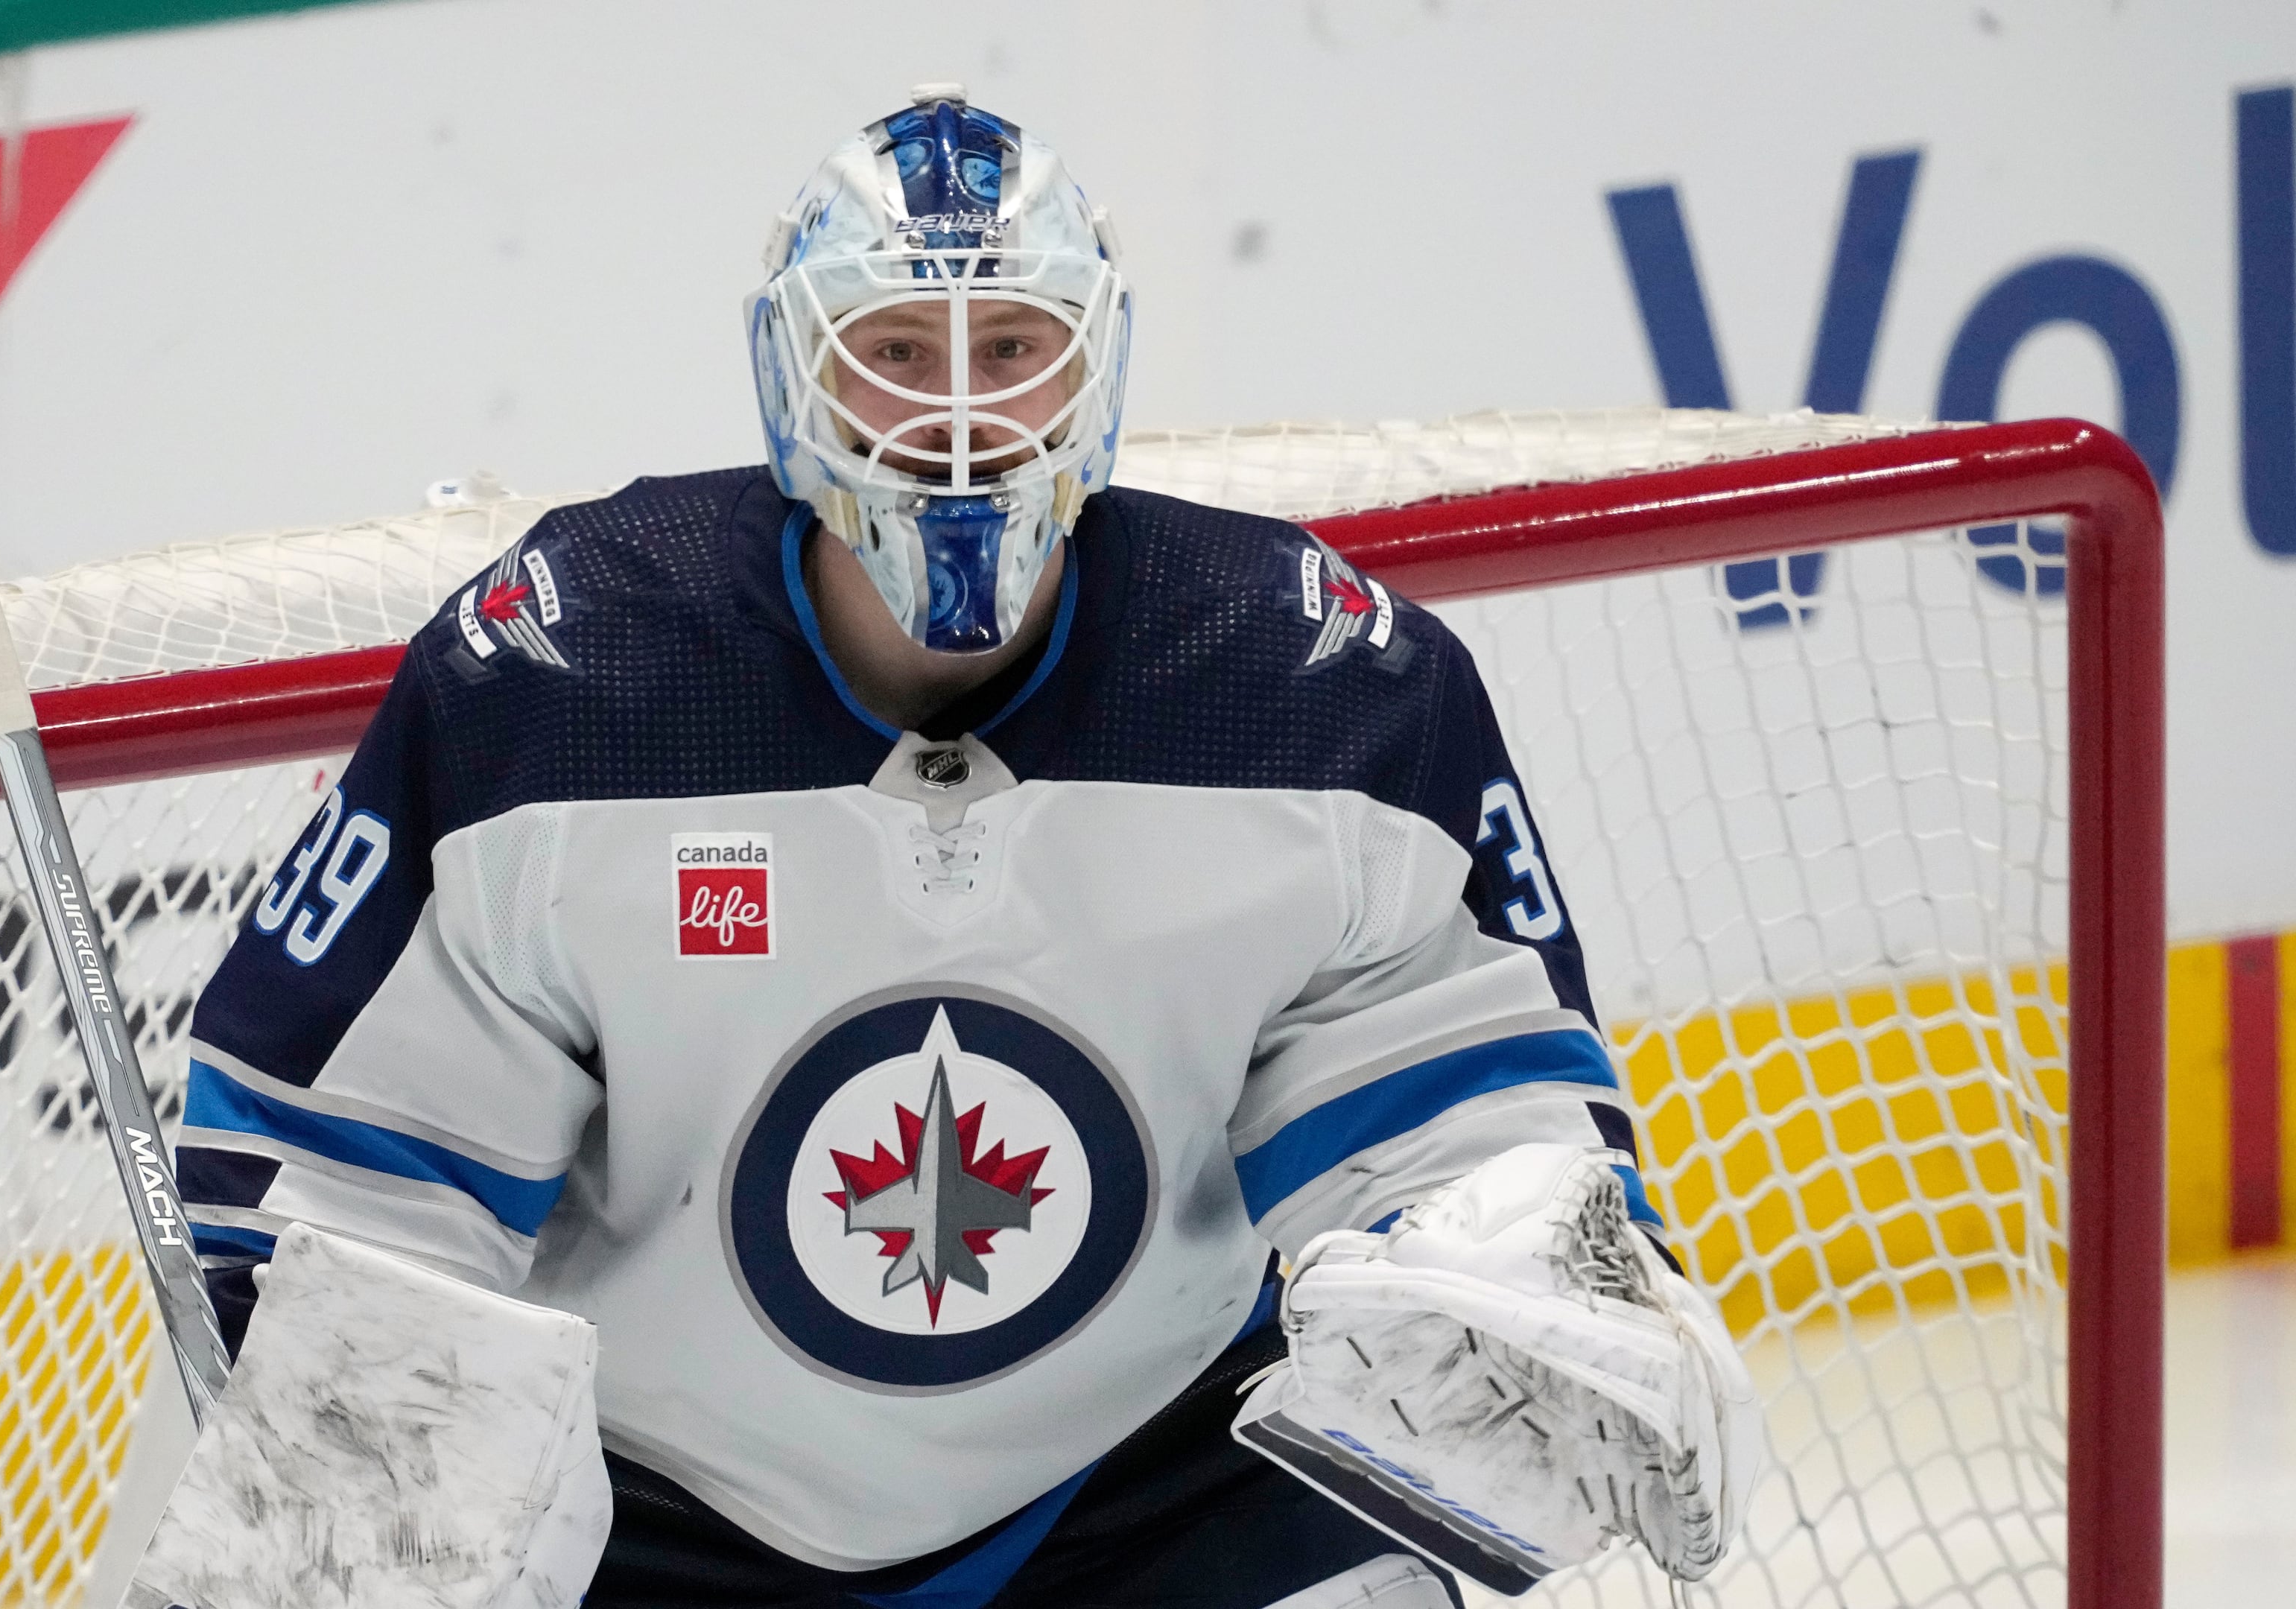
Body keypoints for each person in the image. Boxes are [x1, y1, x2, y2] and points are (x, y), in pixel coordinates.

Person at [171, 85, 1752, 1609]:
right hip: (664, 1515)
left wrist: (1540, 1256)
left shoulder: (1319, 696)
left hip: (1154, 1480)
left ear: (1093, 371)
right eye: (891, 348)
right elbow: (342, 1182)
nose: (955, 410)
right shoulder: (566, 690)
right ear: (794, 377)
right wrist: (353, 1459)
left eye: (1011, 346)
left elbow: (1457, 1120)